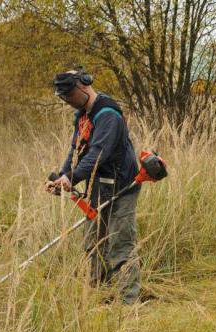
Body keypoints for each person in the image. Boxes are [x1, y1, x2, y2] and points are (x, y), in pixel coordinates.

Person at [46, 67, 141, 304]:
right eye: (63, 96)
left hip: (122, 185)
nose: (67, 100)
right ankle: (100, 293)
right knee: (93, 242)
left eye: (69, 94)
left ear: (84, 85)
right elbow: (76, 150)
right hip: (99, 184)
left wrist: (73, 177)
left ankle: (128, 303)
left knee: (121, 243)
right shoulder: (82, 116)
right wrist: (62, 176)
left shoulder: (108, 114)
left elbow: (98, 153)